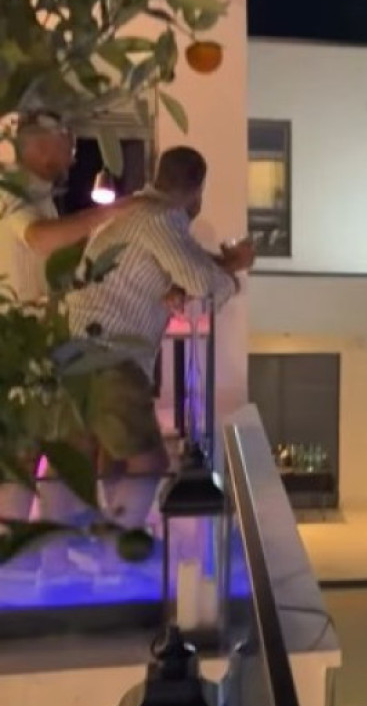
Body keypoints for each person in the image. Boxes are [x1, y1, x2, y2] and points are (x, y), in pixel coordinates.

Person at [64, 146, 255, 534]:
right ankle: (118, 541)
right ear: (197, 189)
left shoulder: (129, 212)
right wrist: (232, 278)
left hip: (75, 352)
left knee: (105, 455)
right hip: (111, 356)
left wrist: (207, 273)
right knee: (149, 462)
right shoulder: (162, 218)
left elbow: (184, 264)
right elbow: (202, 282)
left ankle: (86, 542)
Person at [0, 110, 135, 535]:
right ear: (40, 145)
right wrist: (114, 213)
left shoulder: (36, 196)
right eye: (69, 145)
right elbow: (40, 239)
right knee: (35, 452)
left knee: (68, 443)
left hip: (38, 352)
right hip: (20, 356)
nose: (74, 158)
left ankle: (51, 547)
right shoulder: (10, 194)